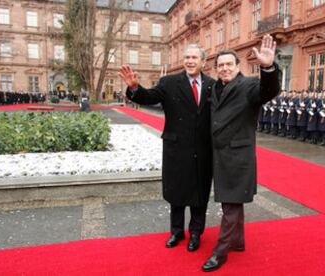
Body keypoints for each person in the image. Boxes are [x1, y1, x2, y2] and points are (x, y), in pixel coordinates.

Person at [119, 45, 215, 252]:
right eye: (187, 57)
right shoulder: (169, 82)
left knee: (200, 193)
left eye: (194, 57)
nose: (190, 61)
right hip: (176, 148)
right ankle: (176, 231)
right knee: (176, 191)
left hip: (203, 150)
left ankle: (196, 233)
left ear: (203, 62)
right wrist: (135, 88)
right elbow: (149, 97)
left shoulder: (212, 85)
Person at [202, 34, 280, 272]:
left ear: (238, 67)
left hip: (237, 157)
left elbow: (269, 91)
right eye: (221, 65)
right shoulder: (216, 87)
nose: (224, 68)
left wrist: (268, 68)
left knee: (231, 204)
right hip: (220, 155)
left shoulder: (248, 86)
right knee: (232, 201)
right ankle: (237, 241)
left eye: (229, 64)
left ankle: (221, 251)